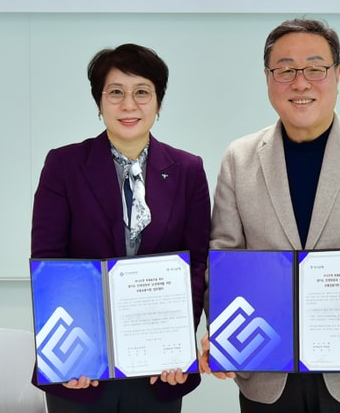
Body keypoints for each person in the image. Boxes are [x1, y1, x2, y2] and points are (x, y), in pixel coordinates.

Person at [199, 18, 340, 412]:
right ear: (268, 78)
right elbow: (224, 258)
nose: (300, 83)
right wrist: (223, 330)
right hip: (266, 372)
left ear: (337, 75)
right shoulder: (239, 159)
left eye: (315, 68)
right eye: (285, 70)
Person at [31, 43, 210, 413]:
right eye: (115, 92)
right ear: (99, 103)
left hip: (160, 370)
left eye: (142, 92)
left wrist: (175, 343)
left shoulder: (188, 170)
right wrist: (71, 353)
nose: (129, 105)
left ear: (158, 103)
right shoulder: (64, 165)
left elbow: (197, 264)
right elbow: (50, 263)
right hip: (82, 369)